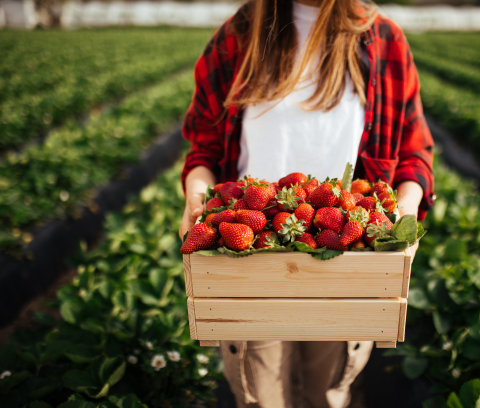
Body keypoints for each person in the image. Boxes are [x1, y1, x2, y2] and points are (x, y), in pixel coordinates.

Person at [179, 0, 435, 407]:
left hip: (348, 256)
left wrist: (404, 210)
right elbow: (204, 149)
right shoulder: (238, 37)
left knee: (327, 394)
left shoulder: (383, 40)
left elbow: (413, 153)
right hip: (251, 259)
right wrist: (196, 198)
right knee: (263, 399)